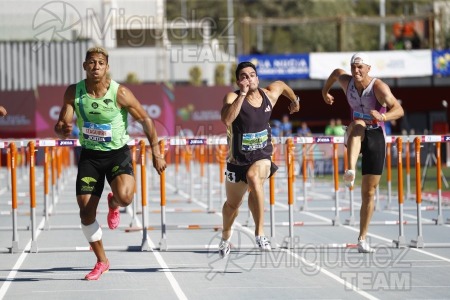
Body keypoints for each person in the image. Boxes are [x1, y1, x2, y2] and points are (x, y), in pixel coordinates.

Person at [54, 47, 166, 280]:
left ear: (107, 67)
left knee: (125, 197)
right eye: (92, 63)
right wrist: (62, 129)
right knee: (86, 213)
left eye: (101, 63)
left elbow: (145, 119)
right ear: (85, 66)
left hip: (117, 154)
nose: (96, 67)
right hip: (90, 156)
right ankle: (102, 261)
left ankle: (113, 203)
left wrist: (156, 151)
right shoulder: (74, 92)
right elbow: (62, 125)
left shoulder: (120, 93)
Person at [322, 52, 404, 253]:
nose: (356, 70)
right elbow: (335, 73)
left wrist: (383, 117)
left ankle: (362, 238)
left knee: (369, 192)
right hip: (355, 132)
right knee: (358, 124)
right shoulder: (346, 81)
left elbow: (398, 109)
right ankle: (349, 170)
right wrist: (325, 93)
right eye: (353, 67)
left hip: (376, 134)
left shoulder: (378, 87)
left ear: (368, 68)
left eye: (360, 67)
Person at [219, 61, 300, 258]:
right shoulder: (233, 97)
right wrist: (243, 95)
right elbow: (227, 120)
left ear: (257, 78)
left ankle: (260, 233)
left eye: (252, 75)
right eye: (244, 76)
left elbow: (282, 85)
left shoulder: (269, 95)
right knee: (232, 206)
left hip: (262, 155)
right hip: (237, 160)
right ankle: (225, 237)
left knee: (254, 177)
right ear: (239, 81)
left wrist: (295, 101)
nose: (249, 79)